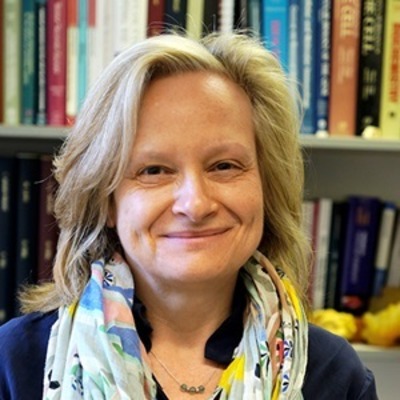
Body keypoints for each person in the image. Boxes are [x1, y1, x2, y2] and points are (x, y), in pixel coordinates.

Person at [0, 32, 377, 400]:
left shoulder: (333, 375)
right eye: (154, 170)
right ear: (107, 200)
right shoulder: (16, 362)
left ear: (267, 186)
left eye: (225, 165)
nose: (195, 205)